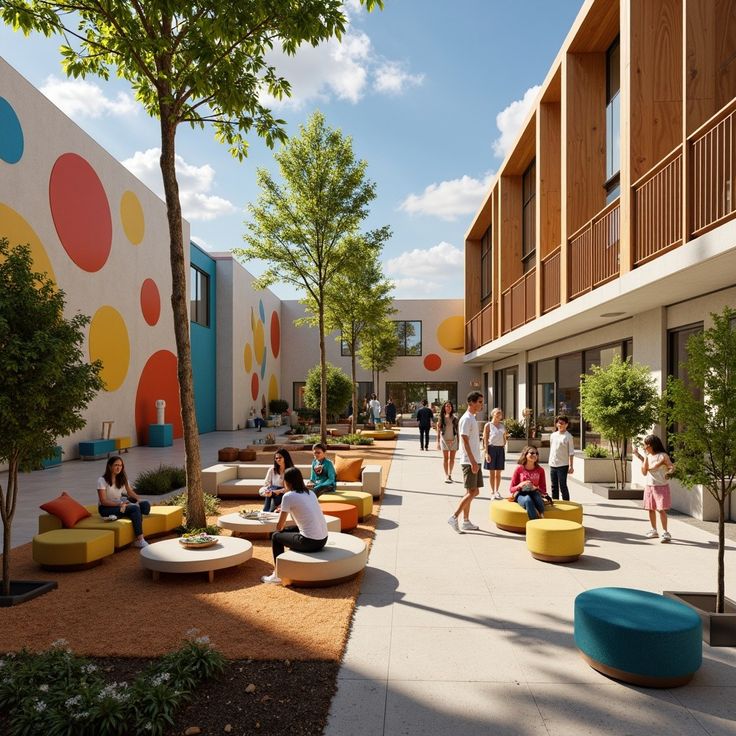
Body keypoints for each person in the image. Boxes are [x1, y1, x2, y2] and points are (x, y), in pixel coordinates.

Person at [261, 467, 329, 584]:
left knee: (276, 536)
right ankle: (283, 566)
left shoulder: (288, 496)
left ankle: (278, 574)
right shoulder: (310, 493)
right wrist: (284, 509)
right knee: (289, 531)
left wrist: (282, 512)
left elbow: (280, 527)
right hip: (323, 539)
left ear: (287, 482)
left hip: (310, 542)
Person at [447, 391, 484, 532]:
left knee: (472, 491)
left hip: (474, 460)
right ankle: (455, 516)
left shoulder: (472, 418)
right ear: (471, 403)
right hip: (470, 461)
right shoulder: (467, 419)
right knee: (473, 492)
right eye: (479, 402)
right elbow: (464, 441)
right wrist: (473, 462)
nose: (481, 405)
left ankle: (466, 521)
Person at [97, 455, 151, 548]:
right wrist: (121, 504)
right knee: (134, 509)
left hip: (120, 505)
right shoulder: (102, 480)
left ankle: (117, 515)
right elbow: (103, 501)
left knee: (145, 505)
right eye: (116, 465)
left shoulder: (122, 478)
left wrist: (138, 500)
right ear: (110, 466)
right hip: (106, 508)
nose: (119, 467)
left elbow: (129, 492)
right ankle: (140, 540)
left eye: (121, 465)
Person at [633, 434, 674, 542]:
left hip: (661, 487)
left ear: (651, 445)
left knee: (661, 510)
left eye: (646, 445)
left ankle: (665, 532)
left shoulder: (663, 456)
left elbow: (672, 467)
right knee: (650, 509)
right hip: (650, 486)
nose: (644, 447)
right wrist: (640, 456)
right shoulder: (648, 456)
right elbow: (644, 472)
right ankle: (654, 530)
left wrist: (669, 473)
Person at [509, 446, 551, 520]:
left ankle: (541, 514)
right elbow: (511, 489)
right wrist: (520, 485)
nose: (534, 455)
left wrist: (535, 488)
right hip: (521, 494)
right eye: (532, 453)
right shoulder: (519, 469)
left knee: (537, 498)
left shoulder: (540, 470)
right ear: (525, 455)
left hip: (534, 493)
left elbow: (543, 490)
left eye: (536, 453)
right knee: (528, 500)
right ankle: (535, 522)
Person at [483, 407, 507, 500]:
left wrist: (504, 441)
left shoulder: (502, 425)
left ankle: (497, 491)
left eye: (500, 413)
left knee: (499, 473)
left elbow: (505, 436)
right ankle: (492, 491)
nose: (499, 415)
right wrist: (486, 453)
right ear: (493, 414)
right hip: (491, 449)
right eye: (497, 413)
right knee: (492, 472)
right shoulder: (488, 425)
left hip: (500, 449)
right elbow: (485, 440)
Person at [259, 448, 294, 512]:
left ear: (285, 457)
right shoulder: (272, 469)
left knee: (274, 496)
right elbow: (266, 484)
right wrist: (268, 491)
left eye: (280, 457)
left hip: (285, 493)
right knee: (265, 491)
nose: (278, 460)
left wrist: (277, 491)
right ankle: (270, 511)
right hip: (272, 491)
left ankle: (271, 510)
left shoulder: (291, 471)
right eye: (276, 458)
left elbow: (290, 488)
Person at [549, 415, 575, 500]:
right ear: (556, 424)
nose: (560, 425)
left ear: (566, 424)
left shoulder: (568, 436)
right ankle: (555, 503)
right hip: (553, 464)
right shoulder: (553, 435)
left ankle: (567, 504)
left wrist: (571, 466)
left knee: (563, 486)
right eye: (558, 423)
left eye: (562, 423)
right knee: (554, 486)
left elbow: (571, 452)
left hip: (563, 465)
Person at [436, 401, 459, 483]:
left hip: (453, 440)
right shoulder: (441, 418)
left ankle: (450, 474)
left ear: (452, 408)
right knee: (445, 459)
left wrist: (458, 441)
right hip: (444, 440)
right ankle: (446, 475)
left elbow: (458, 431)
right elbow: (438, 431)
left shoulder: (455, 418)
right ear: (444, 408)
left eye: (450, 406)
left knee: (452, 459)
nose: (448, 407)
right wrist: (438, 442)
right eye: (447, 406)